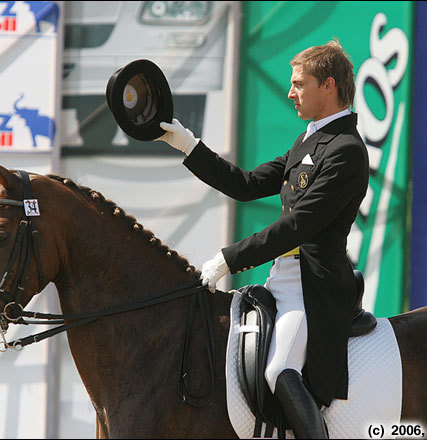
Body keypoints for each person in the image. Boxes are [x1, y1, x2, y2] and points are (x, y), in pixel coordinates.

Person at [157, 39, 369, 438]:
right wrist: (187, 144)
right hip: (284, 280)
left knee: (279, 370)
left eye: (299, 84)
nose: (290, 92)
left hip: (314, 287)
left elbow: (299, 225)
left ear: (329, 86)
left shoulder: (346, 150)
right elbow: (247, 184)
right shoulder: (308, 141)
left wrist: (230, 258)